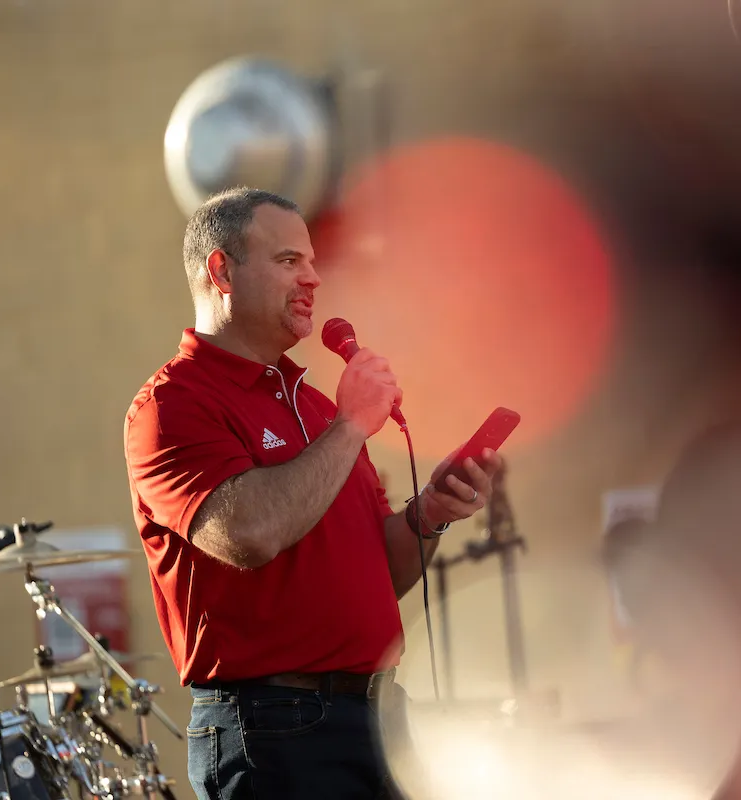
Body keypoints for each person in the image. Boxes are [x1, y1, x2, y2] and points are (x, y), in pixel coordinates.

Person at [122, 187, 502, 800]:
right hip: (274, 726)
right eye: (288, 261)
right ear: (221, 271)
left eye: (313, 262)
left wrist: (429, 514)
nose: (313, 279)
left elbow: (381, 574)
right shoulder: (173, 406)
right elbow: (247, 534)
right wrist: (352, 426)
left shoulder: (317, 406)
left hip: (379, 715)